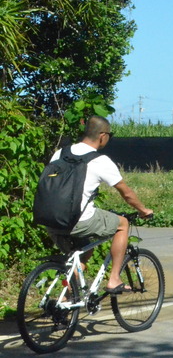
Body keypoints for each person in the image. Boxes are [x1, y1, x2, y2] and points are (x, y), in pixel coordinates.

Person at [45, 115, 153, 295]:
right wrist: (143, 210)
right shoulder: (99, 160)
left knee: (84, 251)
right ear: (103, 136)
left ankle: (66, 298)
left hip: (50, 219)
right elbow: (126, 193)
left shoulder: (60, 153)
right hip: (79, 220)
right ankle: (114, 279)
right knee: (122, 224)